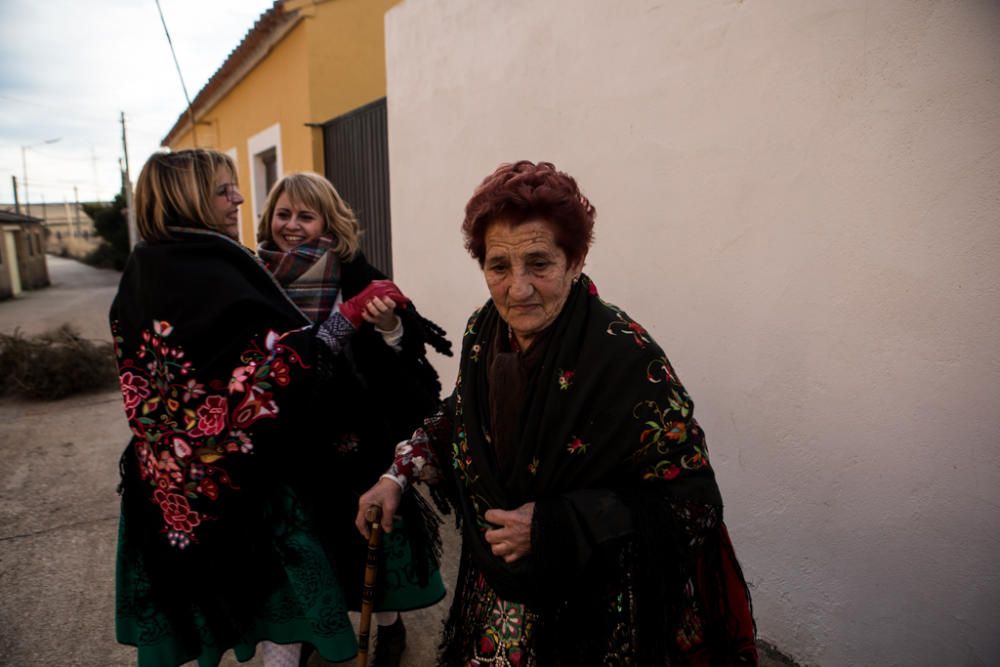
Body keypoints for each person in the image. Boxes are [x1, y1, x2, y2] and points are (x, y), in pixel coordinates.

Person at [356, 160, 758, 666]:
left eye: (539, 264)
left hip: (596, 612)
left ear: (576, 260)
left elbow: (692, 501)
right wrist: (397, 474)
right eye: (498, 267)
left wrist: (555, 525)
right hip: (497, 590)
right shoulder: (483, 331)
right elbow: (460, 417)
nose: (518, 289)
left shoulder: (626, 357)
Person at [112, 148, 416, 667]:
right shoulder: (219, 267)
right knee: (283, 604)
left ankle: (387, 628)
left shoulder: (147, 265)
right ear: (190, 198)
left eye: (236, 186)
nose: (238, 198)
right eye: (223, 189)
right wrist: (347, 318)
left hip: (178, 479)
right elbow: (281, 370)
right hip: (250, 482)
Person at [256, 171, 452, 666]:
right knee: (303, 549)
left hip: (355, 439)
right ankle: (305, 635)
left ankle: (387, 629)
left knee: (368, 539)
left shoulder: (359, 276)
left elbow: (408, 362)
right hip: (290, 439)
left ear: (328, 220)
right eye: (283, 214)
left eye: (305, 215)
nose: (292, 225)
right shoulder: (258, 276)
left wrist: (388, 328)